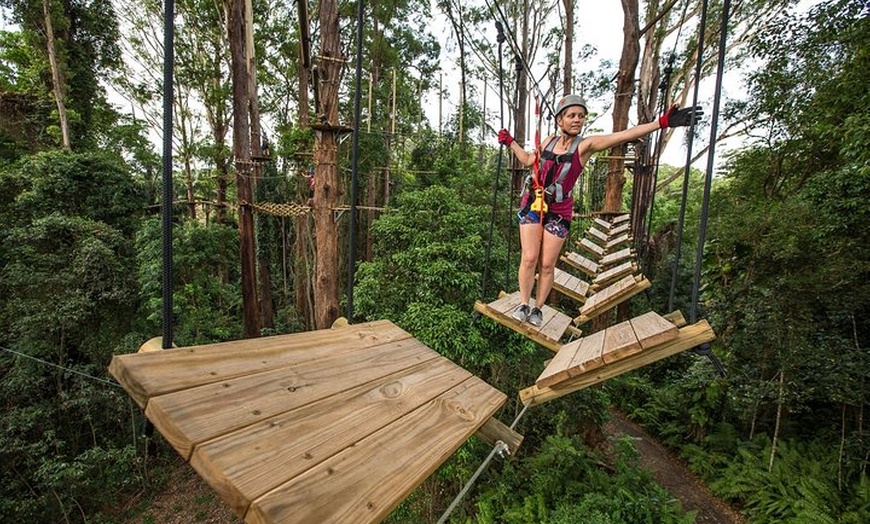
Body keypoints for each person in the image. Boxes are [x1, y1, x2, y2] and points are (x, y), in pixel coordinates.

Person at [498, 94, 702, 327]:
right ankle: (524, 303)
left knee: (546, 264)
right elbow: (527, 160)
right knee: (529, 257)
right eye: (571, 115)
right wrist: (511, 142)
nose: (577, 120)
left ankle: (537, 309)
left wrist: (662, 123)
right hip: (533, 202)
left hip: (559, 209)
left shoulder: (586, 146)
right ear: (560, 120)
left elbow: (623, 135)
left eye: (581, 116)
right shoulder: (547, 142)